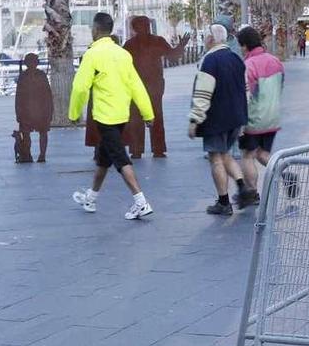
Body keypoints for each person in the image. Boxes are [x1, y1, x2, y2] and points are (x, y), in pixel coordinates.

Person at [69, 13, 155, 220]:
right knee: (103, 159)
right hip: (121, 115)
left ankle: (141, 202)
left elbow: (80, 87)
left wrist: (73, 114)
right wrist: (147, 113)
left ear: (96, 30)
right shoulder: (123, 54)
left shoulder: (92, 55)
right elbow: (136, 85)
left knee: (120, 159)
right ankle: (91, 198)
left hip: (104, 117)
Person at [188, 24, 251, 215]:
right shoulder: (236, 59)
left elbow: (202, 94)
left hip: (216, 119)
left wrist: (195, 120)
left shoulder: (209, 61)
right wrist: (243, 116)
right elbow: (246, 90)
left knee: (215, 158)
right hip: (236, 117)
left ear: (210, 39)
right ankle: (242, 186)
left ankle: (224, 202)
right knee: (226, 155)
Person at [236, 26, 299, 206]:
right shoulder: (276, 61)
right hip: (272, 116)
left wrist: (241, 122)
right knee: (262, 153)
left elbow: (246, 94)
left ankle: (252, 193)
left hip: (254, 118)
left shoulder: (248, 65)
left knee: (247, 155)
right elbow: (281, 85)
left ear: (245, 45)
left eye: (241, 45)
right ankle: (286, 175)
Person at [123, 16, 191, 159]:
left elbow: (122, 66)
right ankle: (158, 149)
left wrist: (181, 46)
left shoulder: (130, 45)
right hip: (154, 86)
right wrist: (181, 46)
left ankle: (137, 150)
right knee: (156, 117)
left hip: (139, 87)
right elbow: (172, 57)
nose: (145, 29)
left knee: (136, 118)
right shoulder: (156, 41)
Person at [14, 53, 53, 163]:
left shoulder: (23, 76)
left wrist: (18, 112)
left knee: (27, 133)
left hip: (27, 110)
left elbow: (18, 97)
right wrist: (50, 110)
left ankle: (28, 155)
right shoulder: (41, 75)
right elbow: (48, 94)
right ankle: (41, 155)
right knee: (42, 133)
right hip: (41, 110)